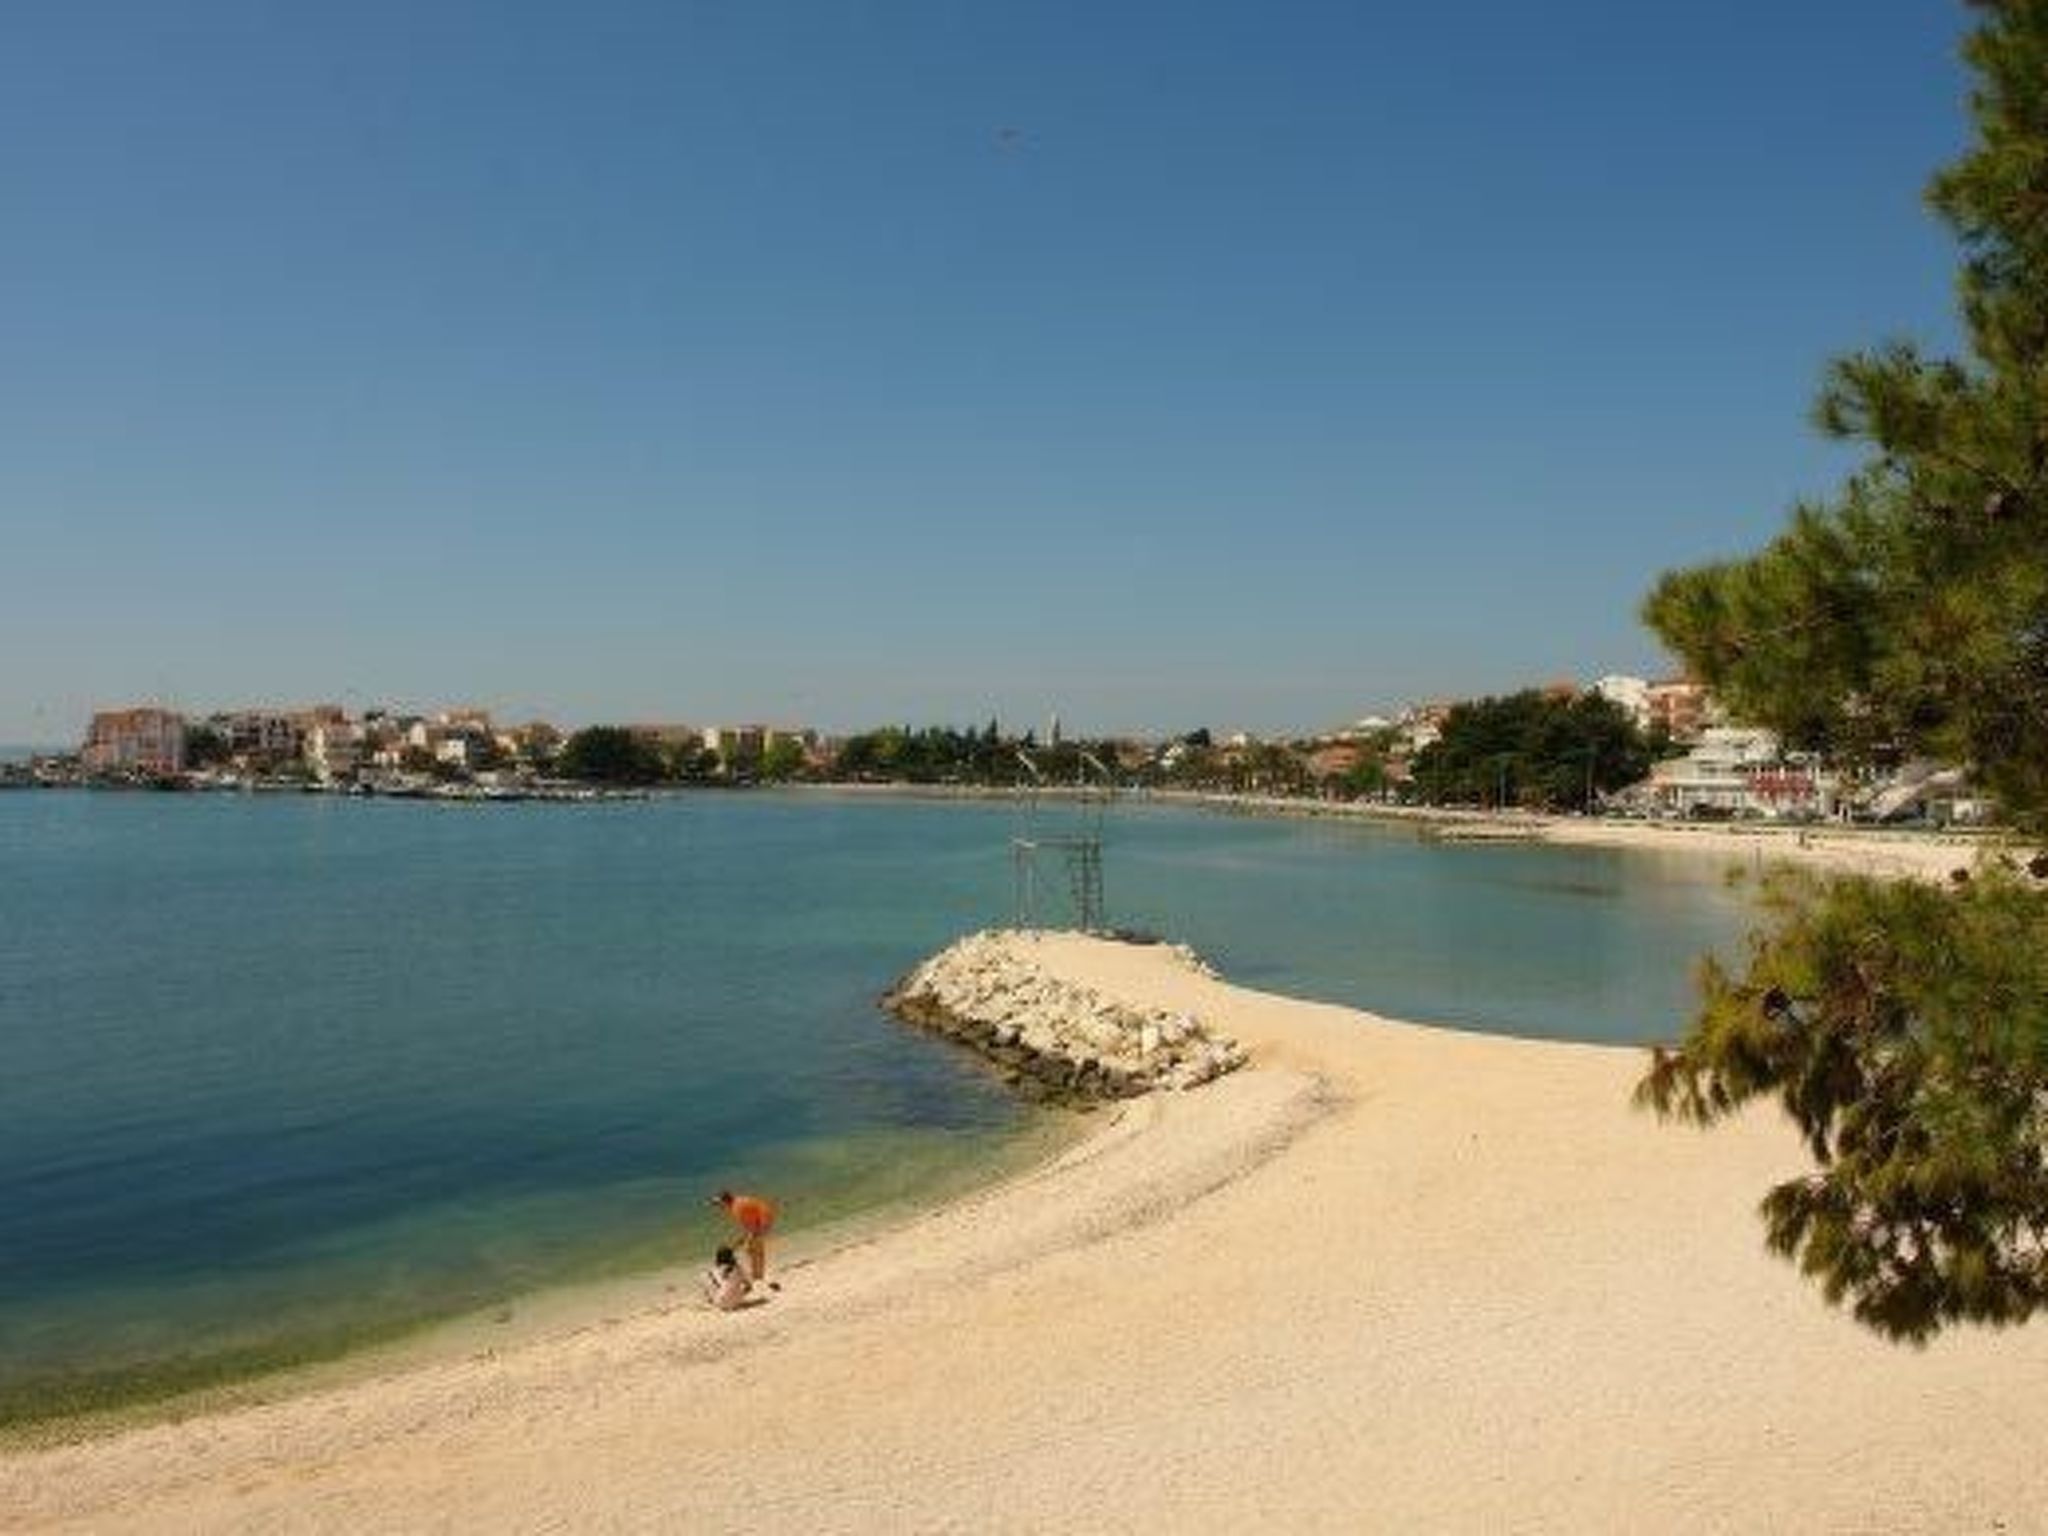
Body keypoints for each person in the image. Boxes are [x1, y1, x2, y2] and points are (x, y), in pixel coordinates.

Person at [712, 1189, 777, 1283]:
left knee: (753, 1247)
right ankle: (757, 1274)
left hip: (764, 1217)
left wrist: (749, 1238)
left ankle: (758, 1275)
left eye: (720, 1203)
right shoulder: (736, 1203)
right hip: (763, 1214)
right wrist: (742, 1240)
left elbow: (752, 1226)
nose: (719, 1206)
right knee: (752, 1246)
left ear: (725, 1201)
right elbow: (748, 1226)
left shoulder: (737, 1209)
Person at [703, 1245, 752, 1311]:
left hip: (719, 1303)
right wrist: (740, 1294)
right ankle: (728, 1298)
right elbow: (749, 1287)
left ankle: (712, 1301)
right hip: (736, 1301)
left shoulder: (715, 1271)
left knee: (707, 1276)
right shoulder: (738, 1268)